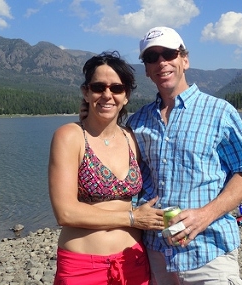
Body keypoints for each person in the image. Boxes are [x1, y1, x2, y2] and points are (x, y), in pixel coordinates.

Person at [126, 26, 242, 284]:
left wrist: (205, 214)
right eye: (151, 57)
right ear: (146, 69)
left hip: (209, 252)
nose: (161, 62)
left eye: (168, 53)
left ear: (184, 60)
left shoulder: (219, 111)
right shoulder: (138, 122)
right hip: (156, 256)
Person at [49, 51, 165, 284]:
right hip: (82, 267)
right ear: (86, 92)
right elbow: (65, 212)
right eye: (99, 87)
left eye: (116, 88)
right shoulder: (70, 136)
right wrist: (132, 218)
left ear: (127, 95)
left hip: (132, 262)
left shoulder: (133, 139)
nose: (107, 95)